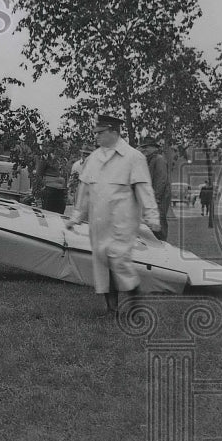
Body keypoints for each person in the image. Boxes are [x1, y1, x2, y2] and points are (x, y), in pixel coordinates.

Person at [64, 114, 160, 313]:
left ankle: (136, 303)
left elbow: (144, 189)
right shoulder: (93, 158)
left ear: (114, 132)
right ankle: (112, 309)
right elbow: (84, 190)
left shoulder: (134, 157)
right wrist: (76, 216)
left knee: (118, 259)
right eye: (96, 133)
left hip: (122, 221)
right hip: (99, 222)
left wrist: (152, 217)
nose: (97, 137)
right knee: (102, 263)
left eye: (101, 133)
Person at [139, 137, 170, 241]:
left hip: (159, 200)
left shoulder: (159, 159)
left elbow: (161, 180)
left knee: (159, 226)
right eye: (143, 147)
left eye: (146, 147)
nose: (144, 150)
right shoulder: (150, 160)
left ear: (154, 147)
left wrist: (155, 199)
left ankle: (163, 250)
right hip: (154, 199)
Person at [34, 137, 69, 213]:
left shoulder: (64, 160)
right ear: (58, 147)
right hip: (49, 190)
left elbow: (65, 175)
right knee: (48, 213)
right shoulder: (47, 158)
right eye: (64, 147)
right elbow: (39, 174)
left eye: (66, 148)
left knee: (60, 213)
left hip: (60, 192)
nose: (66, 150)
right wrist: (38, 193)